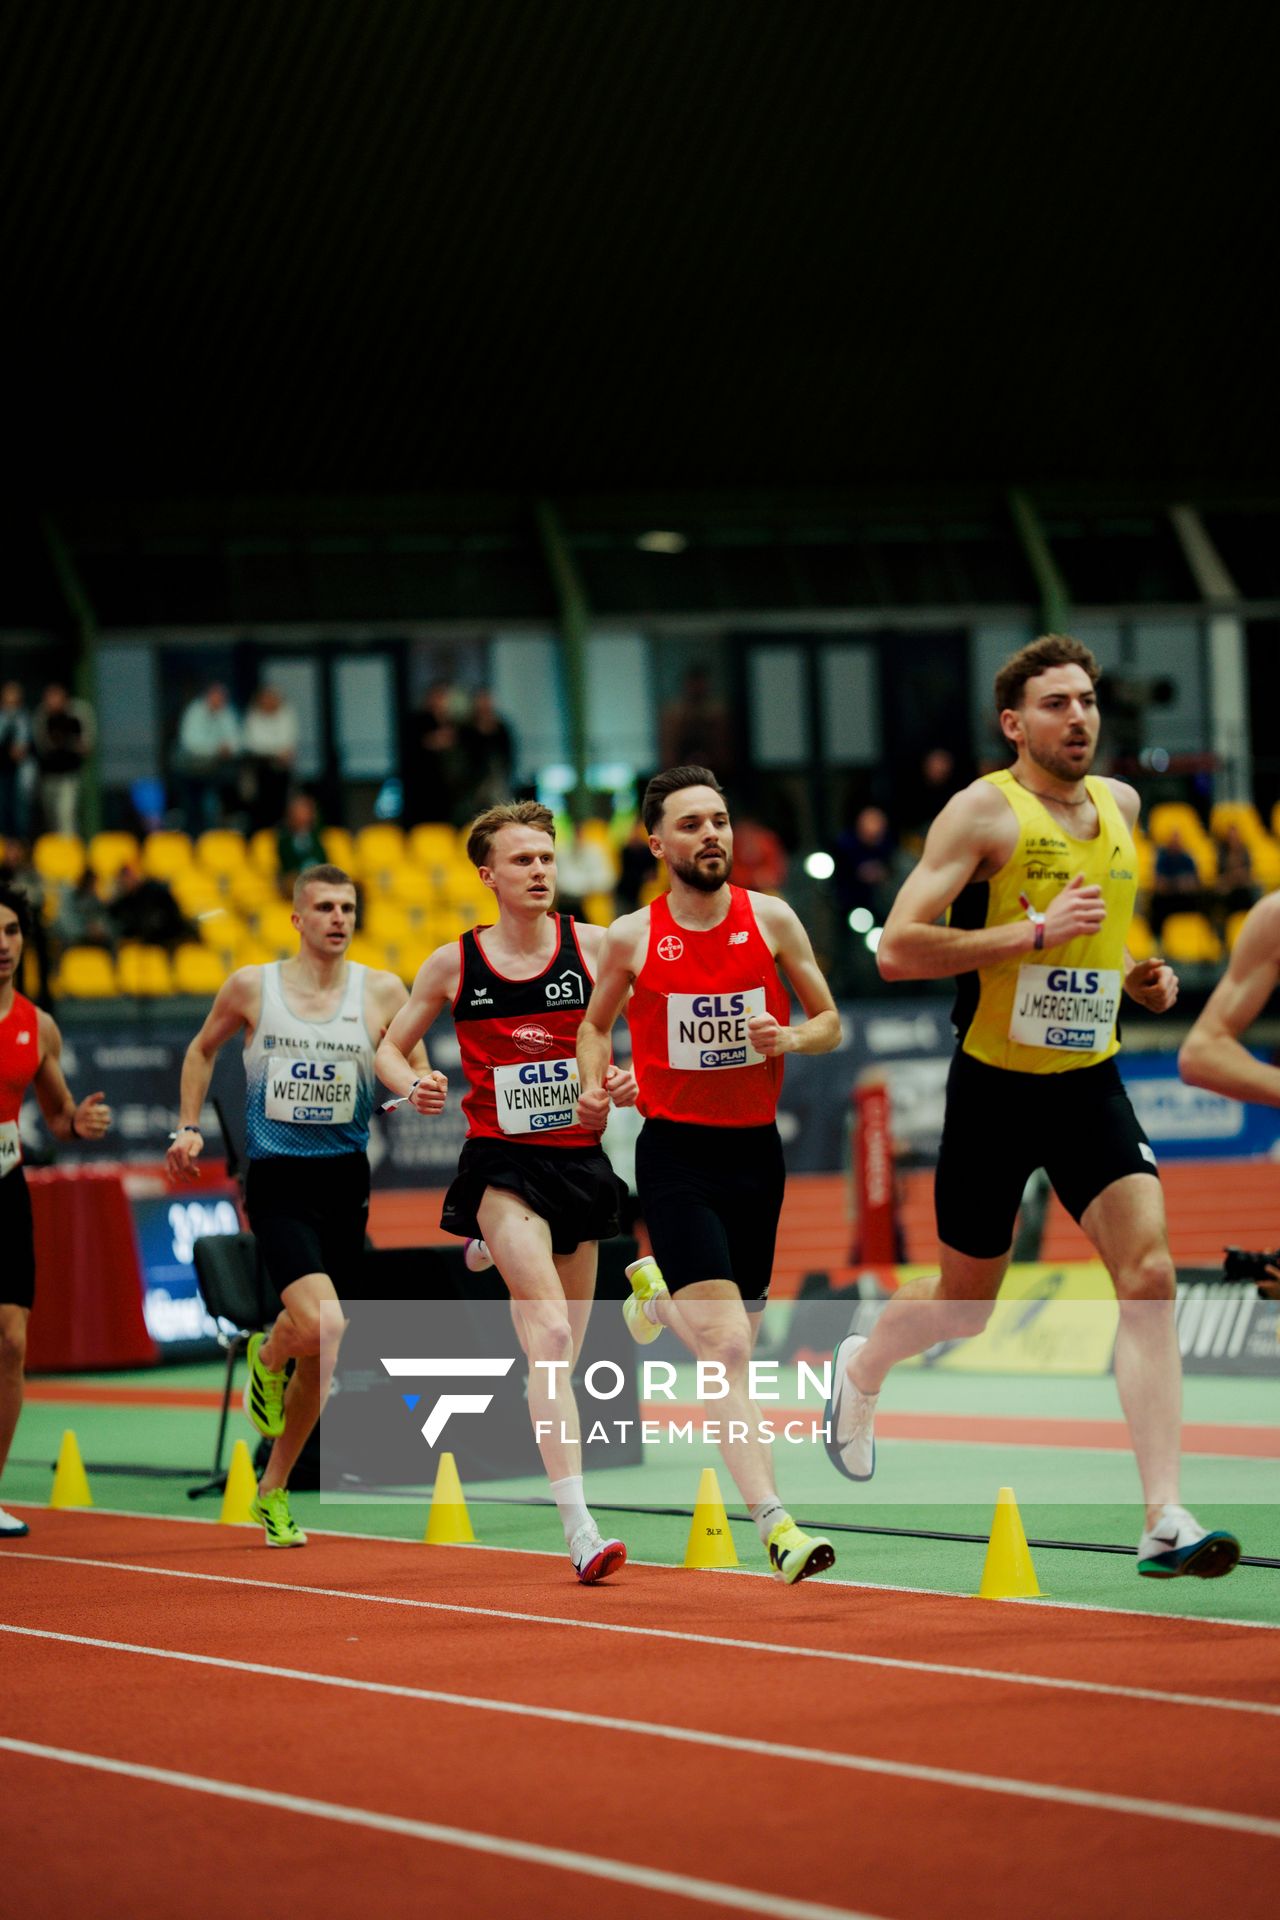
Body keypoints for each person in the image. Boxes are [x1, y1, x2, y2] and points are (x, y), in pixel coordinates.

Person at [825, 634, 1240, 1581]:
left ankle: (1163, 1515)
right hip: (995, 1089)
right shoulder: (983, 812)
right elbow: (895, 949)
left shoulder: (1124, 806)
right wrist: (1031, 931)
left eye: (1088, 700)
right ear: (1014, 724)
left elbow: (1103, 938)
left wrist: (1137, 977)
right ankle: (864, 1365)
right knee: (968, 1308)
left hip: (1090, 1080)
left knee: (1150, 1274)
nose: (1080, 717)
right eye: (1056, 704)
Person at [576, 765, 842, 1586]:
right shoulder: (630, 935)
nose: (712, 836)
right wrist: (599, 1082)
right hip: (676, 1153)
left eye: (720, 821)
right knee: (725, 1348)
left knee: (737, 1351)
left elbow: (829, 1021)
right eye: (691, 825)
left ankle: (653, 1296)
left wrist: (788, 1040)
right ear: (658, 843)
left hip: (755, 1156)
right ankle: (777, 1525)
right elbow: (594, 1027)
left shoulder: (773, 919)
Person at [376, 800, 636, 1584]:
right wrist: (415, 1079)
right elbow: (389, 1046)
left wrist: (623, 1079)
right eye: (522, 861)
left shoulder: (593, 948)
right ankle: (581, 1529)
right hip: (501, 1164)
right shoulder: (455, 964)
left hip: (579, 1164)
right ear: (487, 874)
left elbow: (641, 1041)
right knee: (551, 1335)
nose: (539, 872)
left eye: (547, 859)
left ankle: (496, 1251)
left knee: (559, 1359)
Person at [166, 864, 423, 1548]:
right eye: (325, 907)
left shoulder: (383, 989)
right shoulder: (255, 986)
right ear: (297, 918)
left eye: (348, 907)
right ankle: (267, 1351)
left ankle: (272, 1489)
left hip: (347, 1182)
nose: (339, 918)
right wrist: (186, 1126)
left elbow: (405, 1060)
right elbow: (200, 1048)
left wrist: (416, 1085)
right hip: (278, 1180)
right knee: (322, 1324)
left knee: (326, 1356)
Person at [0, 885, 113, 1538]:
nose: (2, 944)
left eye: (12, 931)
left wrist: (79, 1120)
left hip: (7, 1185)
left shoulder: (37, 1024)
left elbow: (58, 1115)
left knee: (11, 1341)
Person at [176, 682, 242, 833]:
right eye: (216, 697)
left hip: (213, 771)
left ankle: (211, 838)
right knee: (192, 810)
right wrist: (216, 749)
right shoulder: (195, 711)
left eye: (222, 698)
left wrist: (227, 748)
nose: (219, 701)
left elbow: (236, 742)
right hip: (190, 770)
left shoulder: (226, 713)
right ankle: (194, 841)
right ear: (208, 696)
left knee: (212, 808)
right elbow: (191, 743)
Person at [32, 683, 95, 838]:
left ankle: (68, 852)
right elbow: (41, 745)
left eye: (56, 697)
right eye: (49, 697)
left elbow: (87, 745)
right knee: (51, 816)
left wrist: (68, 742)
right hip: (48, 775)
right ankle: (55, 852)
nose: (52, 701)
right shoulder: (42, 715)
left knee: (66, 813)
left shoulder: (78, 712)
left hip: (70, 773)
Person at [243, 686, 299, 833]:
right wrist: (275, 752)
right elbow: (253, 744)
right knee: (260, 807)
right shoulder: (253, 716)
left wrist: (280, 753)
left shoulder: (286, 714)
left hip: (282, 769)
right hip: (260, 769)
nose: (269, 702)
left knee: (282, 805)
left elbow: (289, 741)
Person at [0, 683, 33, 842]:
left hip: (19, 774)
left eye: (15, 702)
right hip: (2, 772)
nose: (12, 707)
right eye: (8, 702)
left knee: (19, 812)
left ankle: (18, 846)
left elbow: (22, 749)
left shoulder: (24, 719)